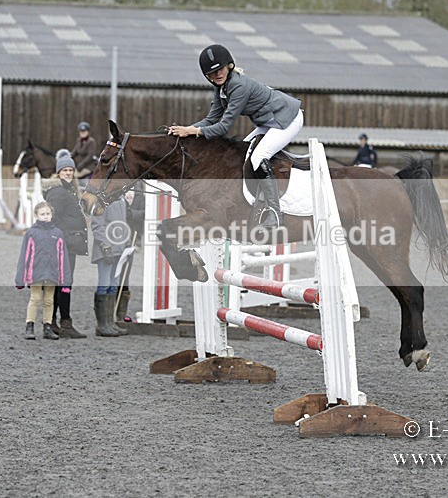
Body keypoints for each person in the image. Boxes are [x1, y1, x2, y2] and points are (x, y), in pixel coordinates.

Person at [168, 44, 303, 229]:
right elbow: (211, 118)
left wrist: (192, 132)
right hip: (269, 122)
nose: (218, 75)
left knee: (258, 157)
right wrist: (186, 128)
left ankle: (274, 213)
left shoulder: (238, 86)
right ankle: (254, 203)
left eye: (220, 69)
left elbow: (223, 127)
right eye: (212, 73)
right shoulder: (221, 88)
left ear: (229, 66)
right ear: (207, 76)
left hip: (287, 118)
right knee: (242, 154)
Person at [43, 150, 88, 338]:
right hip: (62, 246)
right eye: (65, 170)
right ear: (58, 172)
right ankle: (54, 322)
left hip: (70, 245)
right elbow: (53, 219)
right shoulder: (58, 192)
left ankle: (63, 321)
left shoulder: (69, 190)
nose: (68, 173)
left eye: (70, 170)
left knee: (65, 284)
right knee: (61, 284)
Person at [15, 201, 70, 340]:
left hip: (52, 274)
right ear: (36, 215)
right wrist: (20, 279)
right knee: (35, 298)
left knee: (49, 301)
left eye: (48, 214)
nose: (45, 216)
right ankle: (30, 325)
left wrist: (66, 282)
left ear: (52, 215)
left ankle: (47, 327)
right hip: (35, 273)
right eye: (42, 214)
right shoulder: (31, 233)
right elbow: (24, 256)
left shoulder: (58, 234)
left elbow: (63, 258)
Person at [89, 192, 135, 337]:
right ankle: (102, 324)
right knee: (105, 282)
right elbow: (97, 225)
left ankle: (110, 322)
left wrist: (127, 243)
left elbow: (122, 223)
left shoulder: (121, 199)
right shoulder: (101, 202)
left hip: (119, 249)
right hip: (106, 249)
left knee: (114, 283)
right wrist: (105, 246)